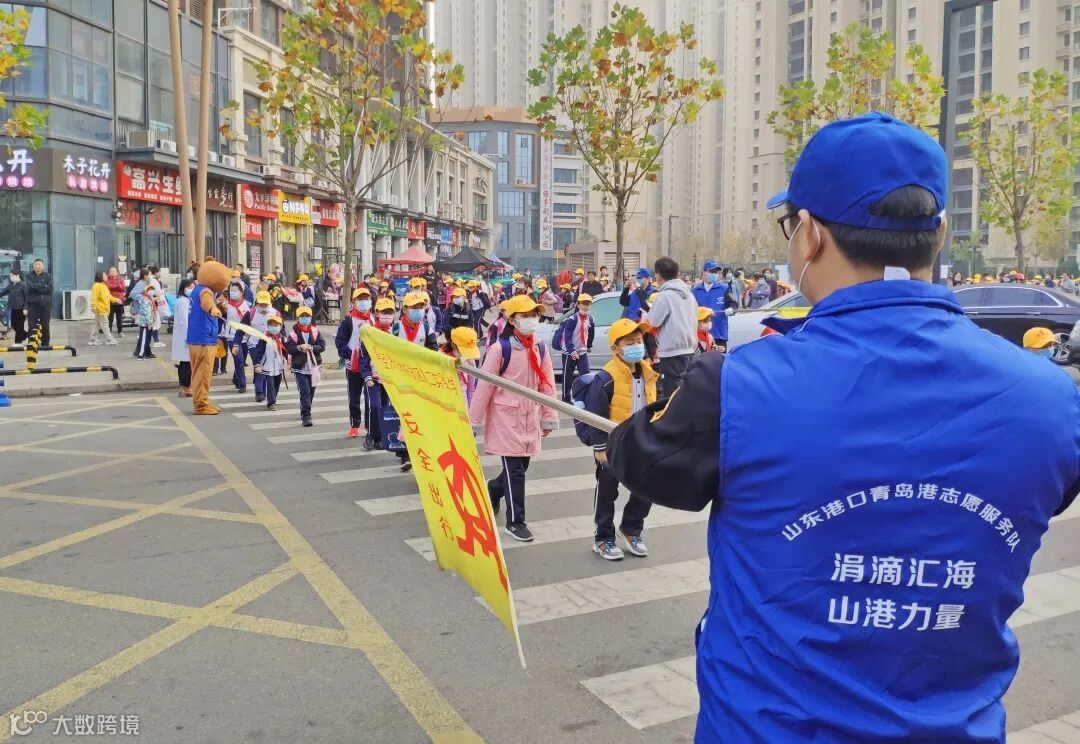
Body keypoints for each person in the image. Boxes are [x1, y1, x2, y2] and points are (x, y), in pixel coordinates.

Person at [604, 112, 1080, 743]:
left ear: (809, 235)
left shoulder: (738, 386)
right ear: (939, 234)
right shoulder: (1053, 400)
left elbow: (644, 462)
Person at [469, 294, 559, 542]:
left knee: (521, 467)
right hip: (505, 419)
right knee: (515, 470)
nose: (531, 319)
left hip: (529, 418)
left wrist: (549, 416)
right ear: (512, 319)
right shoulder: (500, 349)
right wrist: (473, 422)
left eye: (534, 315)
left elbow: (547, 383)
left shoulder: (540, 347)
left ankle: (494, 488)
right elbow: (484, 387)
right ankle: (515, 522)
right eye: (525, 315)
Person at [577, 318, 658, 561]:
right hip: (613, 445)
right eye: (630, 343)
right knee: (607, 492)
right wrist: (600, 448)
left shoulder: (648, 372)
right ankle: (603, 538)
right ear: (615, 349)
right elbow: (595, 415)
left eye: (639, 340)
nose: (637, 346)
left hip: (641, 442)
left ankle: (631, 529)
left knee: (647, 488)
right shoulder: (606, 378)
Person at [645, 256, 697, 398]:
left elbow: (652, 322)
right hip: (689, 350)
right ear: (677, 274)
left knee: (671, 395)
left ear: (658, 276)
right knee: (686, 393)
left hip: (671, 352)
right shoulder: (690, 295)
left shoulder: (665, 296)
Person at [187, 260, 232, 415]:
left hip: (198, 337)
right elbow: (206, 304)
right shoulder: (206, 291)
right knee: (203, 374)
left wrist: (217, 307)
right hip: (203, 339)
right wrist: (213, 308)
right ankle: (201, 405)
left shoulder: (198, 289)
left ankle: (203, 400)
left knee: (200, 373)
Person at [336, 286, 377, 439]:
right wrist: (349, 355)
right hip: (352, 366)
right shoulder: (348, 321)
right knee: (354, 396)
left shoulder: (373, 319)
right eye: (360, 299)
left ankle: (368, 424)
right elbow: (340, 341)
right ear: (354, 302)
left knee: (370, 397)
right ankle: (354, 424)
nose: (364, 302)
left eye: (366, 299)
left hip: (369, 366)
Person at [359, 297, 398, 451]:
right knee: (374, 406)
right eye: (384, 312)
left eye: (390, 312)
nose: (387, 316)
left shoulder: (395, 332)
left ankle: (380, 437)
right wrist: (367, 376)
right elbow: (363, 357)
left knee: (384, 407)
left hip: (389, 378)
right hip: (373, 377)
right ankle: (371, 435)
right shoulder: (369, 333)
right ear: (376, 313)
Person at [285, 306, 324, 427]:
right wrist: (299, 347)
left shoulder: (315, 331)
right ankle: (306, 416)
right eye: (302, 316)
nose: (305, 318)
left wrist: (312, 347)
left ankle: (306, 409)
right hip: (299, 368)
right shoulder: (293, 334)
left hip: (313, 367)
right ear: (298, 318)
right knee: (305, 391)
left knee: (311, 391)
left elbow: (322, 346)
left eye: (307, 316)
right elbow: (289, 349)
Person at [234, 291, 276, 403]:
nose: (263, 306)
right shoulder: (250, 313)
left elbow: (281, 329)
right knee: (259, 365)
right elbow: (241, 330)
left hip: (269, 344)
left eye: (265, 304)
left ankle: (263, 391)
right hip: (254, 344)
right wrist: (236, 344)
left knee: (265, 367)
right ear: (257, 303)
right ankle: (259, 392)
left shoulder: (275, 313)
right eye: (261, 304)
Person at [692, 260, 735, 351]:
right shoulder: (695, 291)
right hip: (699, 335)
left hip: (719, 333)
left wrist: (731, 309)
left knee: (718, 358)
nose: (714, 274)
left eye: (716, 272)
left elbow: (733, 304)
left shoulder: (724, 288)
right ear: (704, 273)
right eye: (711, 272)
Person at [559, 293, 594, 402]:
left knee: (586, 376)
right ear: (578, 305)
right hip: (569, 353)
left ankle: (584, 399)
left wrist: (588, 346)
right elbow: (567, 337)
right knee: (567, 377)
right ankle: (566, 399)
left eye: (588, 304)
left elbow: (591, 333)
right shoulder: (572, 319)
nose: (585, 306)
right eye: (583, 304)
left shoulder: (590, 319)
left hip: (582, 352)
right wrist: (572, 351)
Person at [251, 313, 286, 411]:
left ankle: (273, 398)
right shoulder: (264, 338)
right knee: (270, 384)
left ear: (280, 326)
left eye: (276, 325)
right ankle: (271, 402)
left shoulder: (282, 338)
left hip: (279, 365)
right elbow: (259, 352)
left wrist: (290, 362)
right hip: (267, 365)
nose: (273, 327)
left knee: (277, 383)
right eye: (271, 325)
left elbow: (286, 351)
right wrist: (257, 364)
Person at [223, 280, 250, 393]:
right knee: (238, 359)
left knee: (242, 360)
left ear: (241, 292)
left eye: (235, 290)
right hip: (232, 336)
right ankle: (242, 384)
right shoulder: (226, 305)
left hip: (245, 336)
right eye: (231, 290)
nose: (232, 292)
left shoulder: (247, 305)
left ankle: (236, 378)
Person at [443, 325, 481, 405]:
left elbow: (471, 390)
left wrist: (469, 409)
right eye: (463, 350)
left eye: (469, 350)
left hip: (462, 404)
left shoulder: (470, 362)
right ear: (453, 344)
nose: (466, 354)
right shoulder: (441, 357)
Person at [172, 278, 193, 397]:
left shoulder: (186, 300)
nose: (191, 289)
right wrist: (187, 337)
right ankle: (185, 387)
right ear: (183, 288)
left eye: (193, 287)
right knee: (186, 363)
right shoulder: (183, 301)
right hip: (185, 336)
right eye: (189, 287)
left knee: (185, 362)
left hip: (185, 335)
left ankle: (184, 386)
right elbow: (183, 321)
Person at [24, 259, 52, 345]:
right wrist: (43, 285)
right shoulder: (28, 276)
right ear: (33, 266)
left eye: (39, 264)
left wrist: (37, 288)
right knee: (32, 325)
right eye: (36, 264)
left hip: (45, 304)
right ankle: (32, 344)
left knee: (45, 325)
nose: (37, 266)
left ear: (43, 266)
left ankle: (45, 344)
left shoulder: (48, 276)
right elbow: (30, 287)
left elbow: (49, 289)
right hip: (32, 305)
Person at [89, 271, 120, 346]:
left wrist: (116, 300)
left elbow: (109, 297)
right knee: (105, 324)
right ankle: (109, 339)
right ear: (100, 276)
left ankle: (93, 339)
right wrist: (93, 306)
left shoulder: (104, 286)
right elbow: (94, 297)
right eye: (104, 275)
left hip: (102, 309)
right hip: (100, 309)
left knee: (97, 325)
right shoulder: (96, 285)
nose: (106, 276)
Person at [0, 269, 27, 343]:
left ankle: (18, 342)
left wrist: (26, 308)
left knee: (19, 325)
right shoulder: (11, 285)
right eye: (10, 276)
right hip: (13, 308)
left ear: (17, 275)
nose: (11, 277)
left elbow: (27, 297)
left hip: (21, 308)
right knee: (13, 325)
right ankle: (25, 335)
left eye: (12, 275)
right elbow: (3, 292)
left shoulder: (23, 285)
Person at [133, 281, 158, 360]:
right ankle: (141, 355)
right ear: (146, 291)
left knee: (147, 339)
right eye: (149, 290)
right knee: (144, 339)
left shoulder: (150, 299)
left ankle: (147, 353)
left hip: (149, 322)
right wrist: (149, 323)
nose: (151, 291)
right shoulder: (145, 300)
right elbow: (146, 312)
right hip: (145, 323)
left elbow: (151, 311)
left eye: (152, 289)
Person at [105, 267, 127, 337]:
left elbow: (123, 288)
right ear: (109, 272)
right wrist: (118, 286)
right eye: (111, 271)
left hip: (119, 300)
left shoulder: (121, 279)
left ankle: (120, 332)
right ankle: (109, 333)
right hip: (110, 301)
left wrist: (115, 287)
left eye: (114, 271)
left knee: (119, 318)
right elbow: (108, 287)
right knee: (110, 318)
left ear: (117, 272)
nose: (113, 272)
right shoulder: (106, 279)